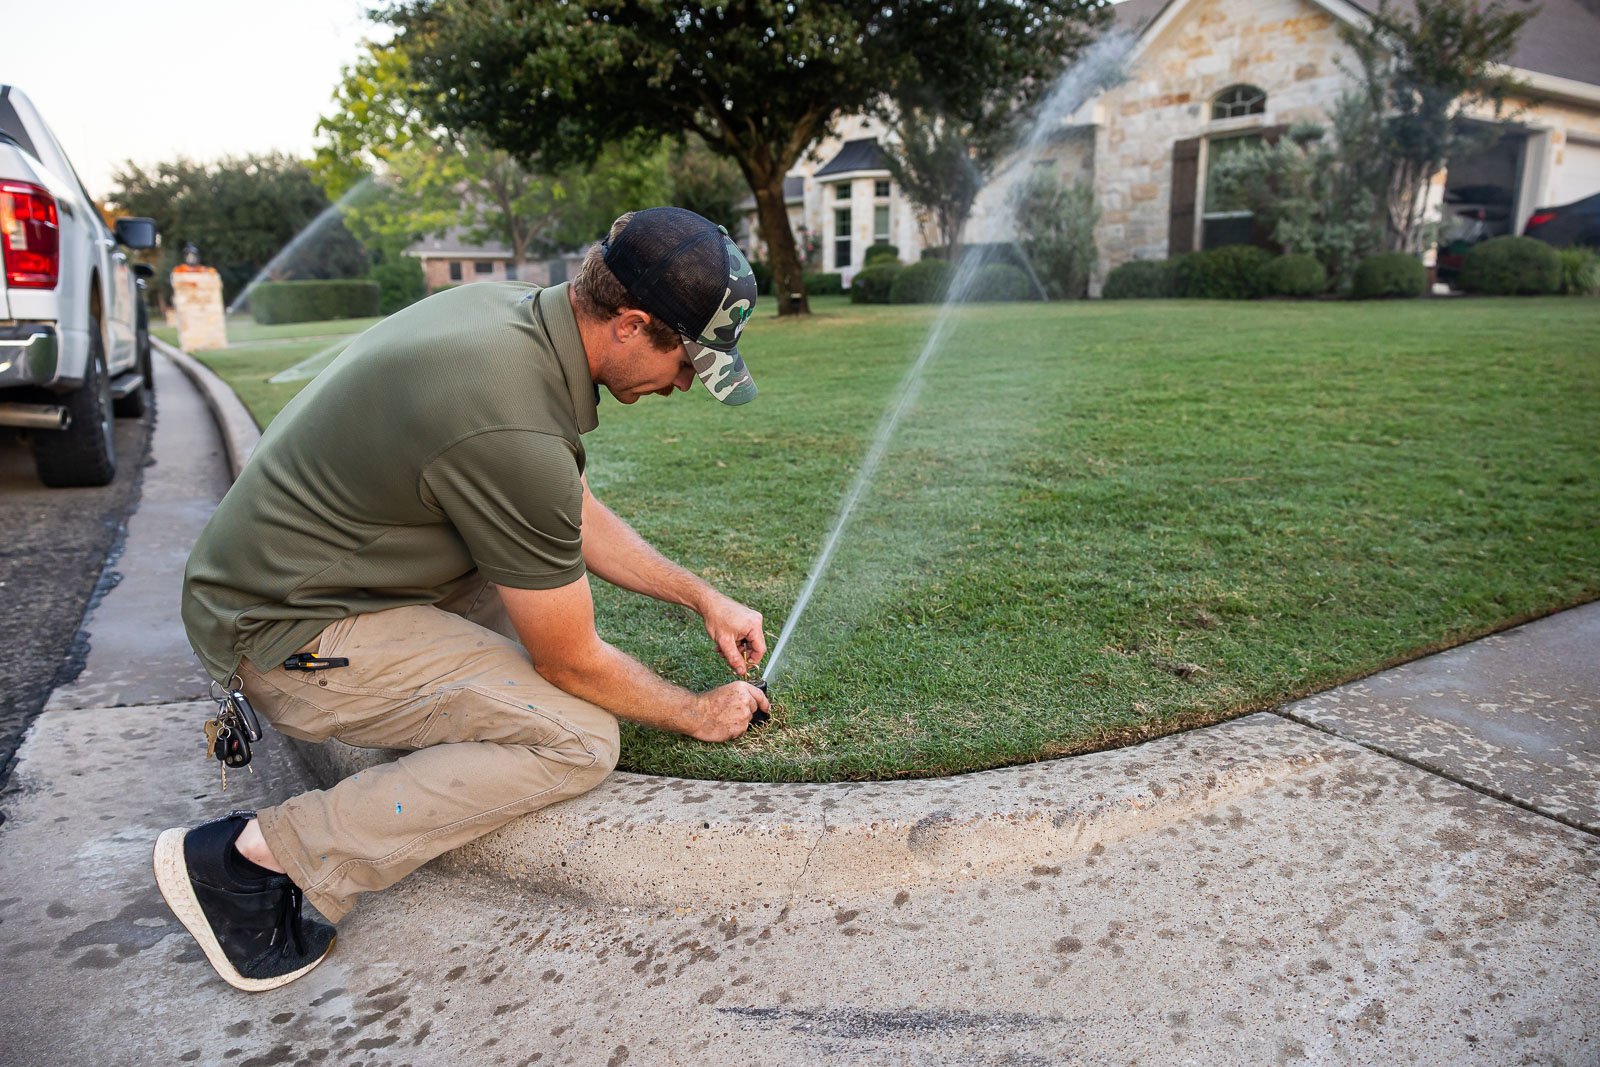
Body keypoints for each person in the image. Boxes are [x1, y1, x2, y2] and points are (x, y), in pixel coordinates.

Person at [155, 208, 771, 992]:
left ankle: (426, 744)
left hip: (302, 583)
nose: (686, 382)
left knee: (534, 622)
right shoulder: (508, 418)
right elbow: (570, 659)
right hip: (285, 633)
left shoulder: (511, 315)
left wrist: (700, 596)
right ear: (630, 322)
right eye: (686, 359)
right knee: (579, 737)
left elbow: (564, 508)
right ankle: (253, 859)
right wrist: (693, 711)